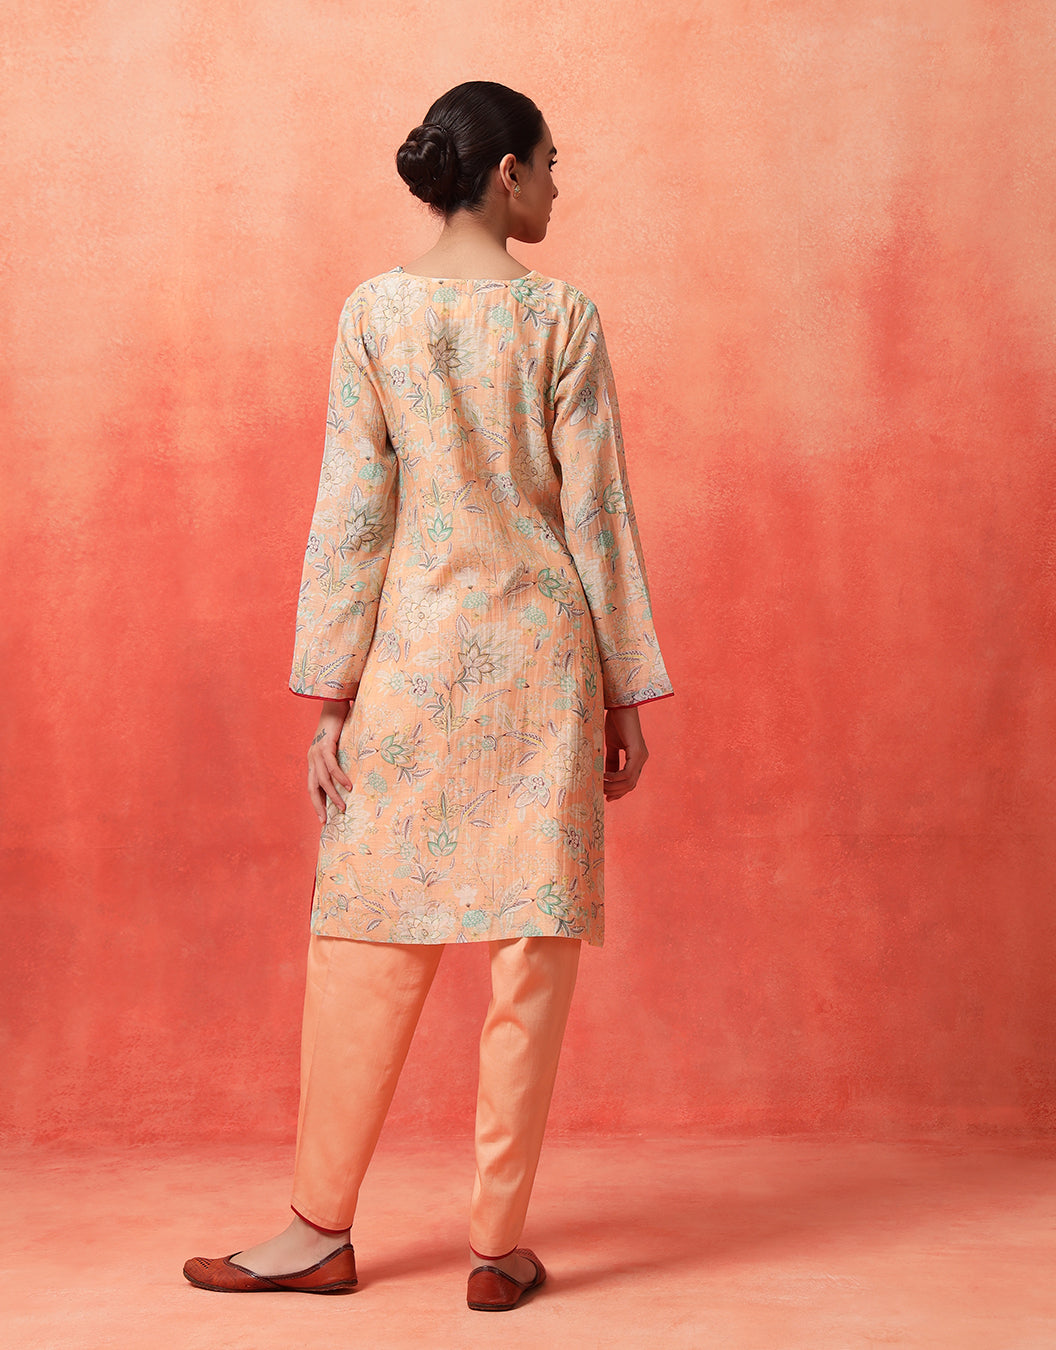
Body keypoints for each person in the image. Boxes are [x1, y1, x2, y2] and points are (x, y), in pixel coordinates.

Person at [183, 79, 674, 1312]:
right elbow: (598, 516)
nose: (557, 185)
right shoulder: (561, 317)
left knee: (365, 932)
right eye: (551, 164)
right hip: (545, 666)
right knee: (531, 950)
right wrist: (624, 692)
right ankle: (495, 1249)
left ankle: (316, 1228)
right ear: (507, 173)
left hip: (412, 658)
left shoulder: (374, 315)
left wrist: (334, 698)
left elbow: (352, 516)